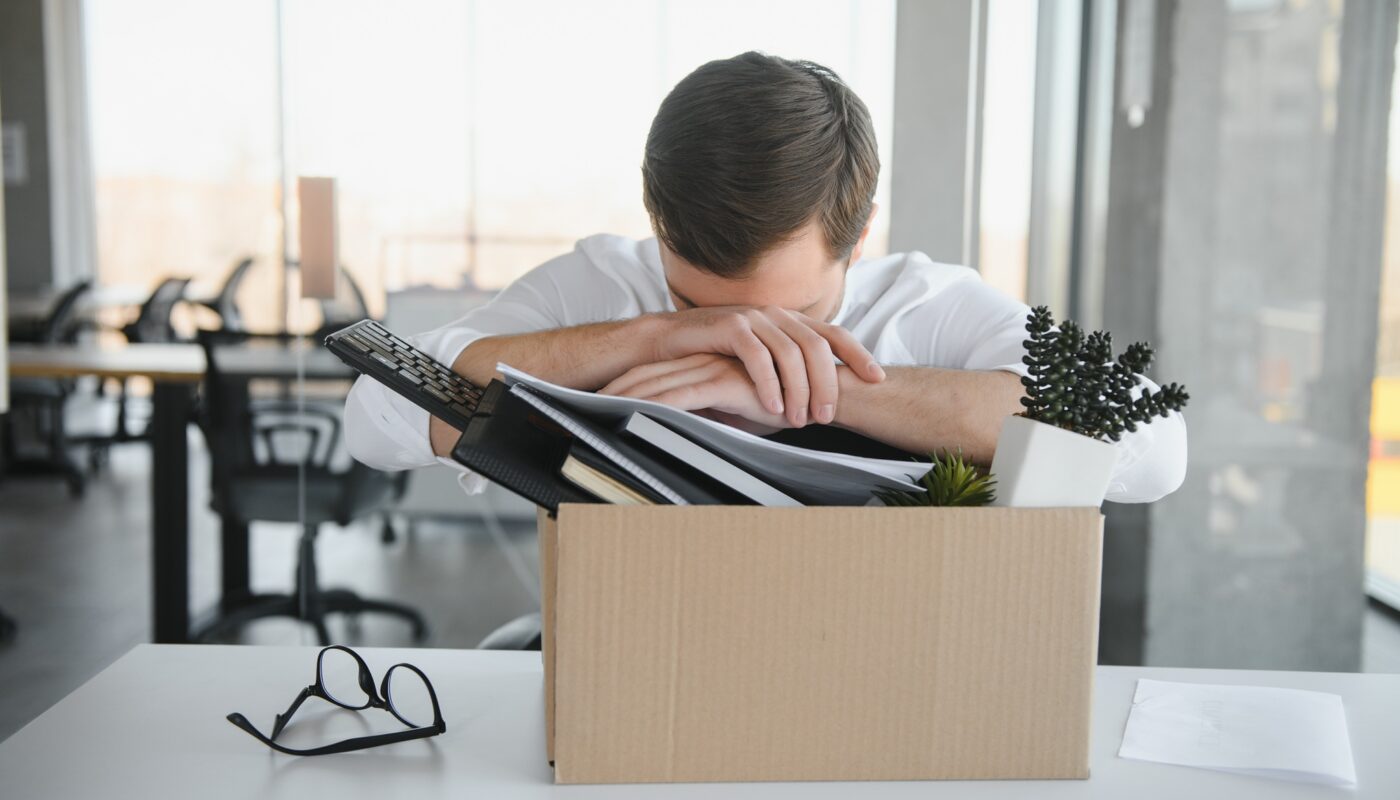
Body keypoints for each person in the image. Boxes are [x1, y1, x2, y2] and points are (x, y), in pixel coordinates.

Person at [345, 51, 1186, 503]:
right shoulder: (602, 286)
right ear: (658, 227)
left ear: (858, 242)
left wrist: (824, 389)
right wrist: (652, 335)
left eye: (793, 318)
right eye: (700, 306)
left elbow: (1152, 447)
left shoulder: (928, 305)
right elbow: (375, 417)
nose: (751, 344)